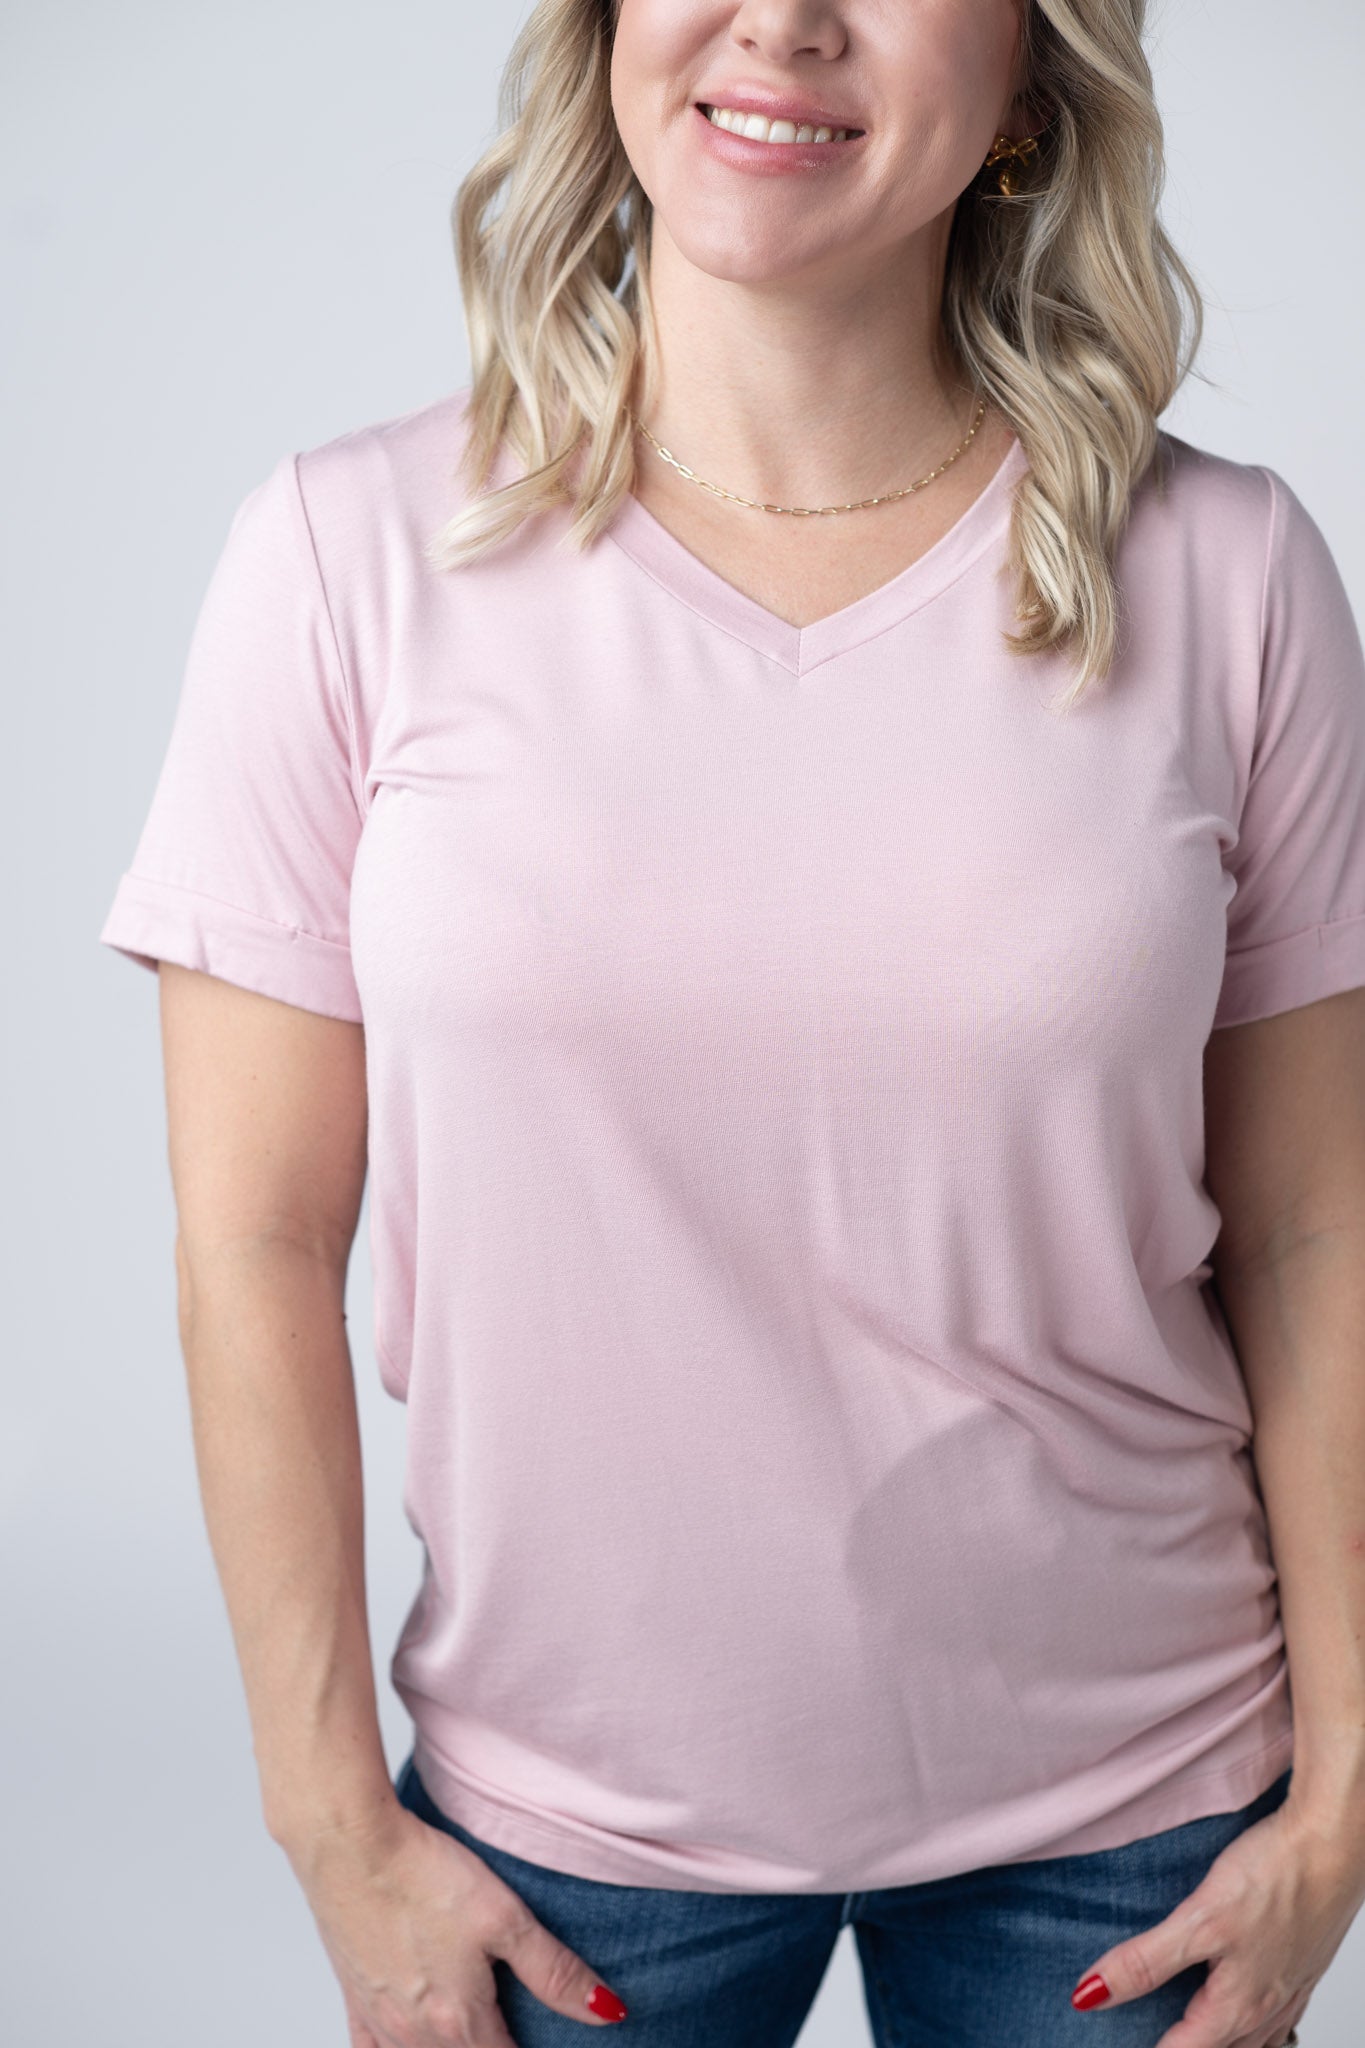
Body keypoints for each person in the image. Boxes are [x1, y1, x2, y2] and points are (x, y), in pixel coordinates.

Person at [96, 0, 1365, 2043]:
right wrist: (331, 1825)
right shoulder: (346, 559)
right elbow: (252, 1241)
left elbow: (1314, 1232)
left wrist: (1345, 1804)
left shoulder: (1226, 576)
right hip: (561, 1829)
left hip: (1138, 1825)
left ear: (1028, 79)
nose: (781, 21)